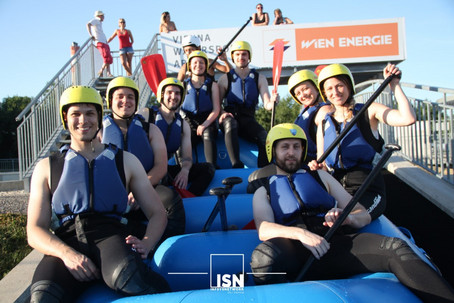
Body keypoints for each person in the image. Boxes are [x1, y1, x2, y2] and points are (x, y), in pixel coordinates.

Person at [250, 123, 454, 302]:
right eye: (284, 147)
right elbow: (264, 229)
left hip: (335, 245)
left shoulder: (321, 177)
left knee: (396, 248)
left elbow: (361, 212)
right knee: (263, 259)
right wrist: (301, 234)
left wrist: (348, 218)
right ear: (272, 150)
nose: (291, 152)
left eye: (296, 146)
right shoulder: (263, 189)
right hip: (296, 250)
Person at [26, 86, 170, 302]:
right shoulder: (46, 167)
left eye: (90, 113)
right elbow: (34, 230)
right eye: (76, 114)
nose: (83, 120)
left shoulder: (127, 161)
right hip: (67, 242)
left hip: (110, 237)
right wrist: (67, 254)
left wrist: (147, 243)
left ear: (99, 117)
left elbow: (158, 213)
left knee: (134, 281)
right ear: (65, 118)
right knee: (42, 296)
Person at [310, 63, 416, 220]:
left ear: (349, 87)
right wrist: (317, 165)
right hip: (337, 188)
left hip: (367, 187)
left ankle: (349, 219)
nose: (335, 92)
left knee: (350, 219)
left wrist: (395, 85)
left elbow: (407, 118)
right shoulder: (324, 122)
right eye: (330, 88)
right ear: (324, 93)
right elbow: (323, 164)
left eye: (340, 85)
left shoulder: (369, 111)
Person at [101, 77, 185, 240]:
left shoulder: (151, 129)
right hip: (114, 191)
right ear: (111, 100)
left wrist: (140, 191)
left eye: (130, 97)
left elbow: (161, 167)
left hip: (148, 186)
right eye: (120, 96)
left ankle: (159, 249)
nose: (125, 100)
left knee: (171, 201)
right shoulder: (99, 132)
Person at [247, 69, 327, 192]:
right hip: (296, 162)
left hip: (308, 165)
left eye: (306, 88)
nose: (303, 94)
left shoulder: (323, 110)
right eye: (298, 93)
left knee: (254, 185)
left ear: (316, 86)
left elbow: (326, 140)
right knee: (253, 178)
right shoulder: (305, 113)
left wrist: (321, 163)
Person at [137, 78, 215, 196]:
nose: (173, 97)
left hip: (165, 170)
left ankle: (188, 199)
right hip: (144, 171)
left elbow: (187, 158)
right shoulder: (146, 114)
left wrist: (185, 170)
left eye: (177, 93)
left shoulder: (183, 125)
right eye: (169, 92)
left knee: (208, 169)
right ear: (162, 95)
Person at [217, 40, 279, 168]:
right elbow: (216, 105)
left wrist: (273, 102)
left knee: (264, 138)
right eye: (238, 54)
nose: (241, 57)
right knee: (231, 123)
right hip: (230, 116)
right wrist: (223, 113)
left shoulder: (259, 78)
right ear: (233, 57)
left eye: (244, 54)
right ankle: (236, 163)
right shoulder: (225, 79)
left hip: (248, 119)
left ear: (249, 56)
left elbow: (267, 104)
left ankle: (264, 169)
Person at [180, 51, 221, 167]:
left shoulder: (212, 85)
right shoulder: (183, 85)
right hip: (188, 121)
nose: (198, 65)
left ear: (206, 66)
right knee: (182, 137)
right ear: (189, 66)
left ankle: (211, 167)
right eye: (195, 62)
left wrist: (204, 124)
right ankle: (181, 168)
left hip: (207, 121)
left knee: (207, 134)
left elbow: (216, 109)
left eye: (201, 63)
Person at [86, 10, 113, 77]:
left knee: (109, 58)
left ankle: (108, 72)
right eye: (102, 16)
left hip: (104, 41)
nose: (104, 17)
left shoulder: (99, 23)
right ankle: (101, 71)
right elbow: (88, 24)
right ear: (100, 16)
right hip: (100, 41)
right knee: (106, 57)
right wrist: (90, 34)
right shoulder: (96, 20)